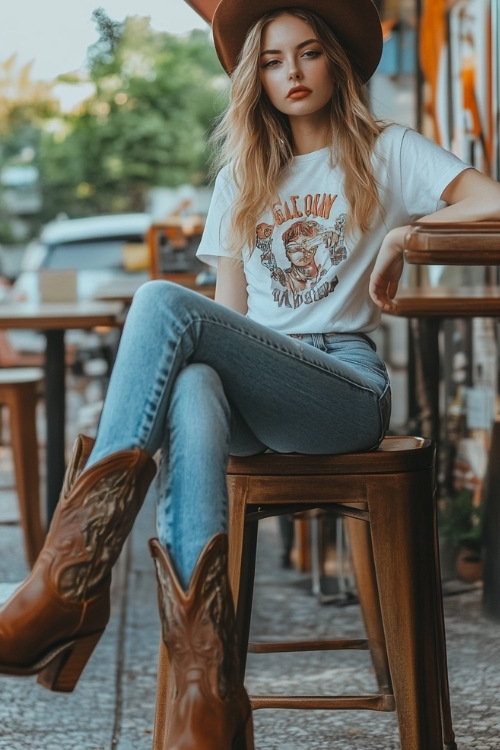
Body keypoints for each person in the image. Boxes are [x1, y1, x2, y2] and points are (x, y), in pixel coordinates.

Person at [1, 0, 500, 748]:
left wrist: (407, 231)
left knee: (163, 303)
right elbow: (227, 318)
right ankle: (207, 694)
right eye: (271, 61)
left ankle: (71, 582)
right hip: (259, 384)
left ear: (335, 60)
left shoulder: (388, 149)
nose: (291, 73)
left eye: (307, 54)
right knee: (197, 378)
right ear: (253, 79)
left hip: (342, 384)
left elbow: (493, 201)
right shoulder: (242, 174)